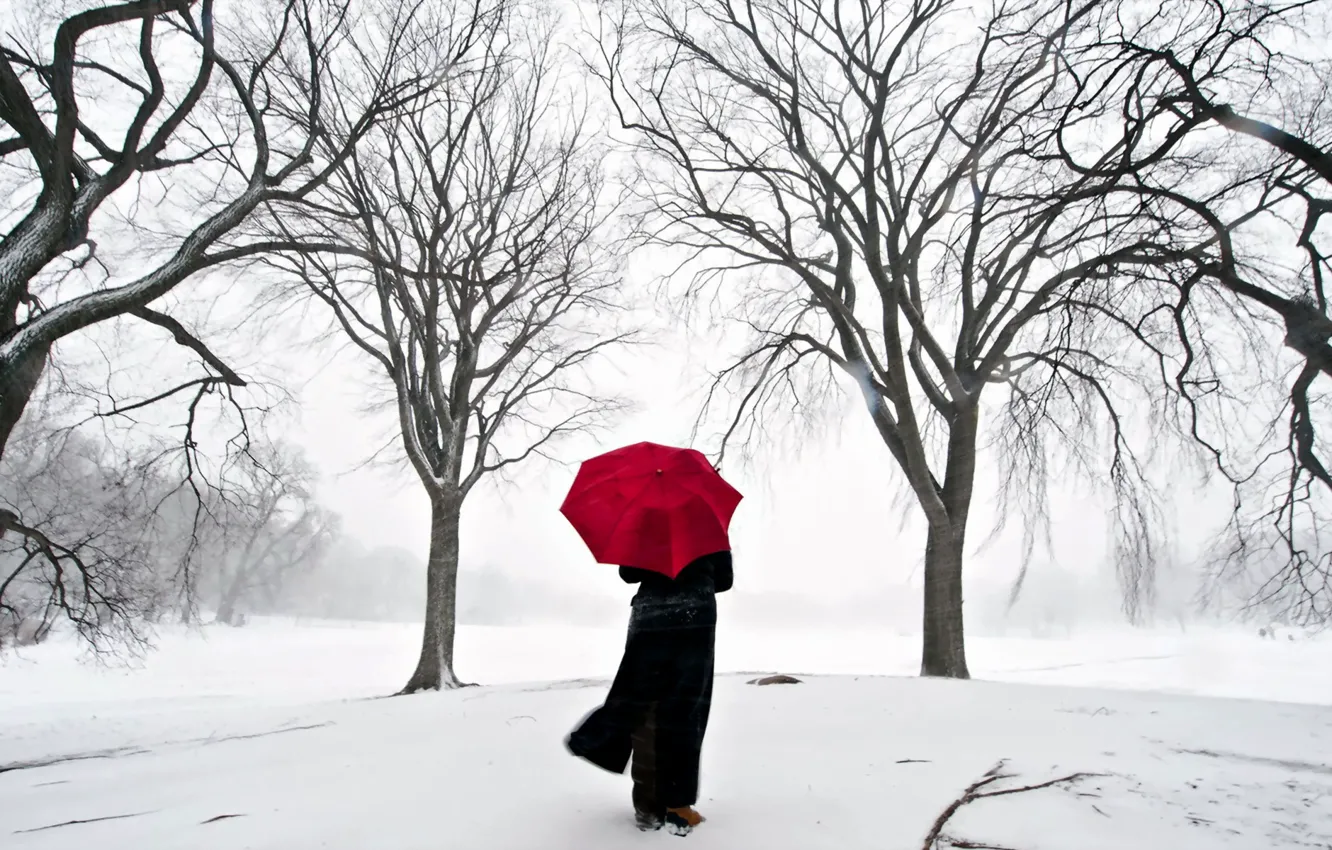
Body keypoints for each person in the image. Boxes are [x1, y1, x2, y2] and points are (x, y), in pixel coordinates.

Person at [565, 549, 733, 835]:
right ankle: (678, 808)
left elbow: (628, 574)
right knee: (686, 709)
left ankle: (647, 806)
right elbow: (724, 580)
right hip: (697, 618)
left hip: (652, 616)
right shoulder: (709, 525)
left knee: (642, 701)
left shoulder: (645, 523)